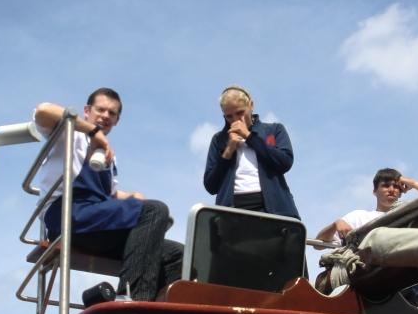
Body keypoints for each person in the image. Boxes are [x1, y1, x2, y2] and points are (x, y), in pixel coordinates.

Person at [33, 88, 183, 301]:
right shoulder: (69, 133)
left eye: (112, 113)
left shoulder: (108, 158)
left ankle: (155, 312)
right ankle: (132, 300)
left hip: (97, 222)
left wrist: (131, 197)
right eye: (100, 110)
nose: (105, 116)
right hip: (67, 215)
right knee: (155, 210)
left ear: (117, 120)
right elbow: (43, 111)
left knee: (177, 254)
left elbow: (109, 195)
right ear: (87, 111)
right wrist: (93, 132)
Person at [202, 85, 299, 219]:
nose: (235, 120)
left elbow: (285, 162)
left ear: (251, 105)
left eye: (240, 113)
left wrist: (249, 137)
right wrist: (228, 150)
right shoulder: (219, 140)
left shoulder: (274, 129)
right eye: (229, 116)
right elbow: (210, 186)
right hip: (231, 214)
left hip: (274, 211)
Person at [315, 167, 418, 245]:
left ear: (401, 192)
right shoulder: (359, 217)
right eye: (386, 185)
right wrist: (335, 224)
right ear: (375, 191)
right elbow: (318, 244)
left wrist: (415, 184)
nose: (391, 189)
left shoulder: (409, 214)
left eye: (396, 187)